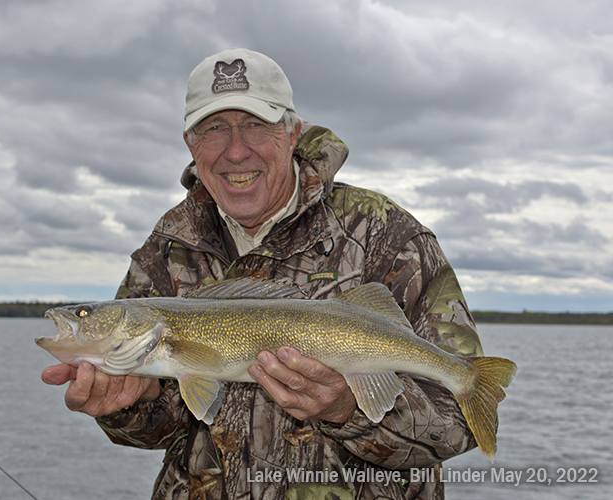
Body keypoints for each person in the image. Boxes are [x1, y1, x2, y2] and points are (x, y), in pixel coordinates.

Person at [42, 48, 485, 500]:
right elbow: (160, 428)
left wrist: (349, 408)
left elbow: (458, 426)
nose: (236, 150)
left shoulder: (387, 233)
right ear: (191, 144)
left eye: (256, 124)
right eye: (214, 128)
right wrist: (128, 404)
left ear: (292, 133)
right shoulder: (166, 248)